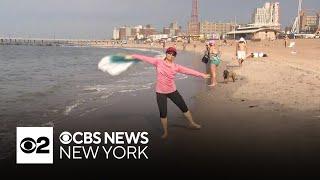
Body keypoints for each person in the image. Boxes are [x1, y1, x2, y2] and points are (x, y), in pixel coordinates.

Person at [126, 47, 210, 139]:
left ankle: (192, 123)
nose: (171, 55)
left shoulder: (176, 67)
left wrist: (202, 75)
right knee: (163, 113)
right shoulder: (158, 62)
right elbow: (145, 58)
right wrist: (133, 55)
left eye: (173, 54)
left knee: (184, 107)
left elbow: (188, 71)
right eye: (169, 53)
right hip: (160, 92)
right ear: (166, 53)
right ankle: (165, 132)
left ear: (175, 56)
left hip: (172, 91)